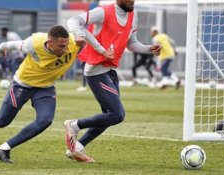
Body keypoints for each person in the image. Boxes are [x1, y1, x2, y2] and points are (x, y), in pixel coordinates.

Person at [0, 25, 86, 163]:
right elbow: (14, 44)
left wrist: (98, 49)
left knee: (45, 120)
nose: (65, 49)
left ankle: (3, 148)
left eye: (66, 45)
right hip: (23, 84)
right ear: (50, 43)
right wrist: (3, 46)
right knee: (2, 121)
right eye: (61, 46)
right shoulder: (32, 44)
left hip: (45, 87)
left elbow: (88, 33)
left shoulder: (75, 42)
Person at [64, 0, 161, 163]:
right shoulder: (103, 12)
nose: (133, 1)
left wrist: (147, 48)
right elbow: (73, 21)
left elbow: (131, 43)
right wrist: (80, 36)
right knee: (117, 115)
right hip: (95, 71)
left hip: (110, 71)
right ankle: (74, 125)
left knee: (108, 116)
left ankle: (77, 148)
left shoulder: (133, 14)